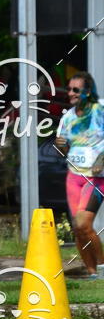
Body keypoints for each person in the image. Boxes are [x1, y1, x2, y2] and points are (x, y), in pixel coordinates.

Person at [55, 71, 104, 279]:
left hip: (96, 178)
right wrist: (62, 146)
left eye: (76, 89)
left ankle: (101, 267)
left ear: (88, 91)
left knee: (84, 224)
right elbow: (64, 148)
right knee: (77, 228)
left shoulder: (99, 110)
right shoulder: (67, 118)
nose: (71, 93)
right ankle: (92, 272)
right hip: (74, 176)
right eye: (69, 89)